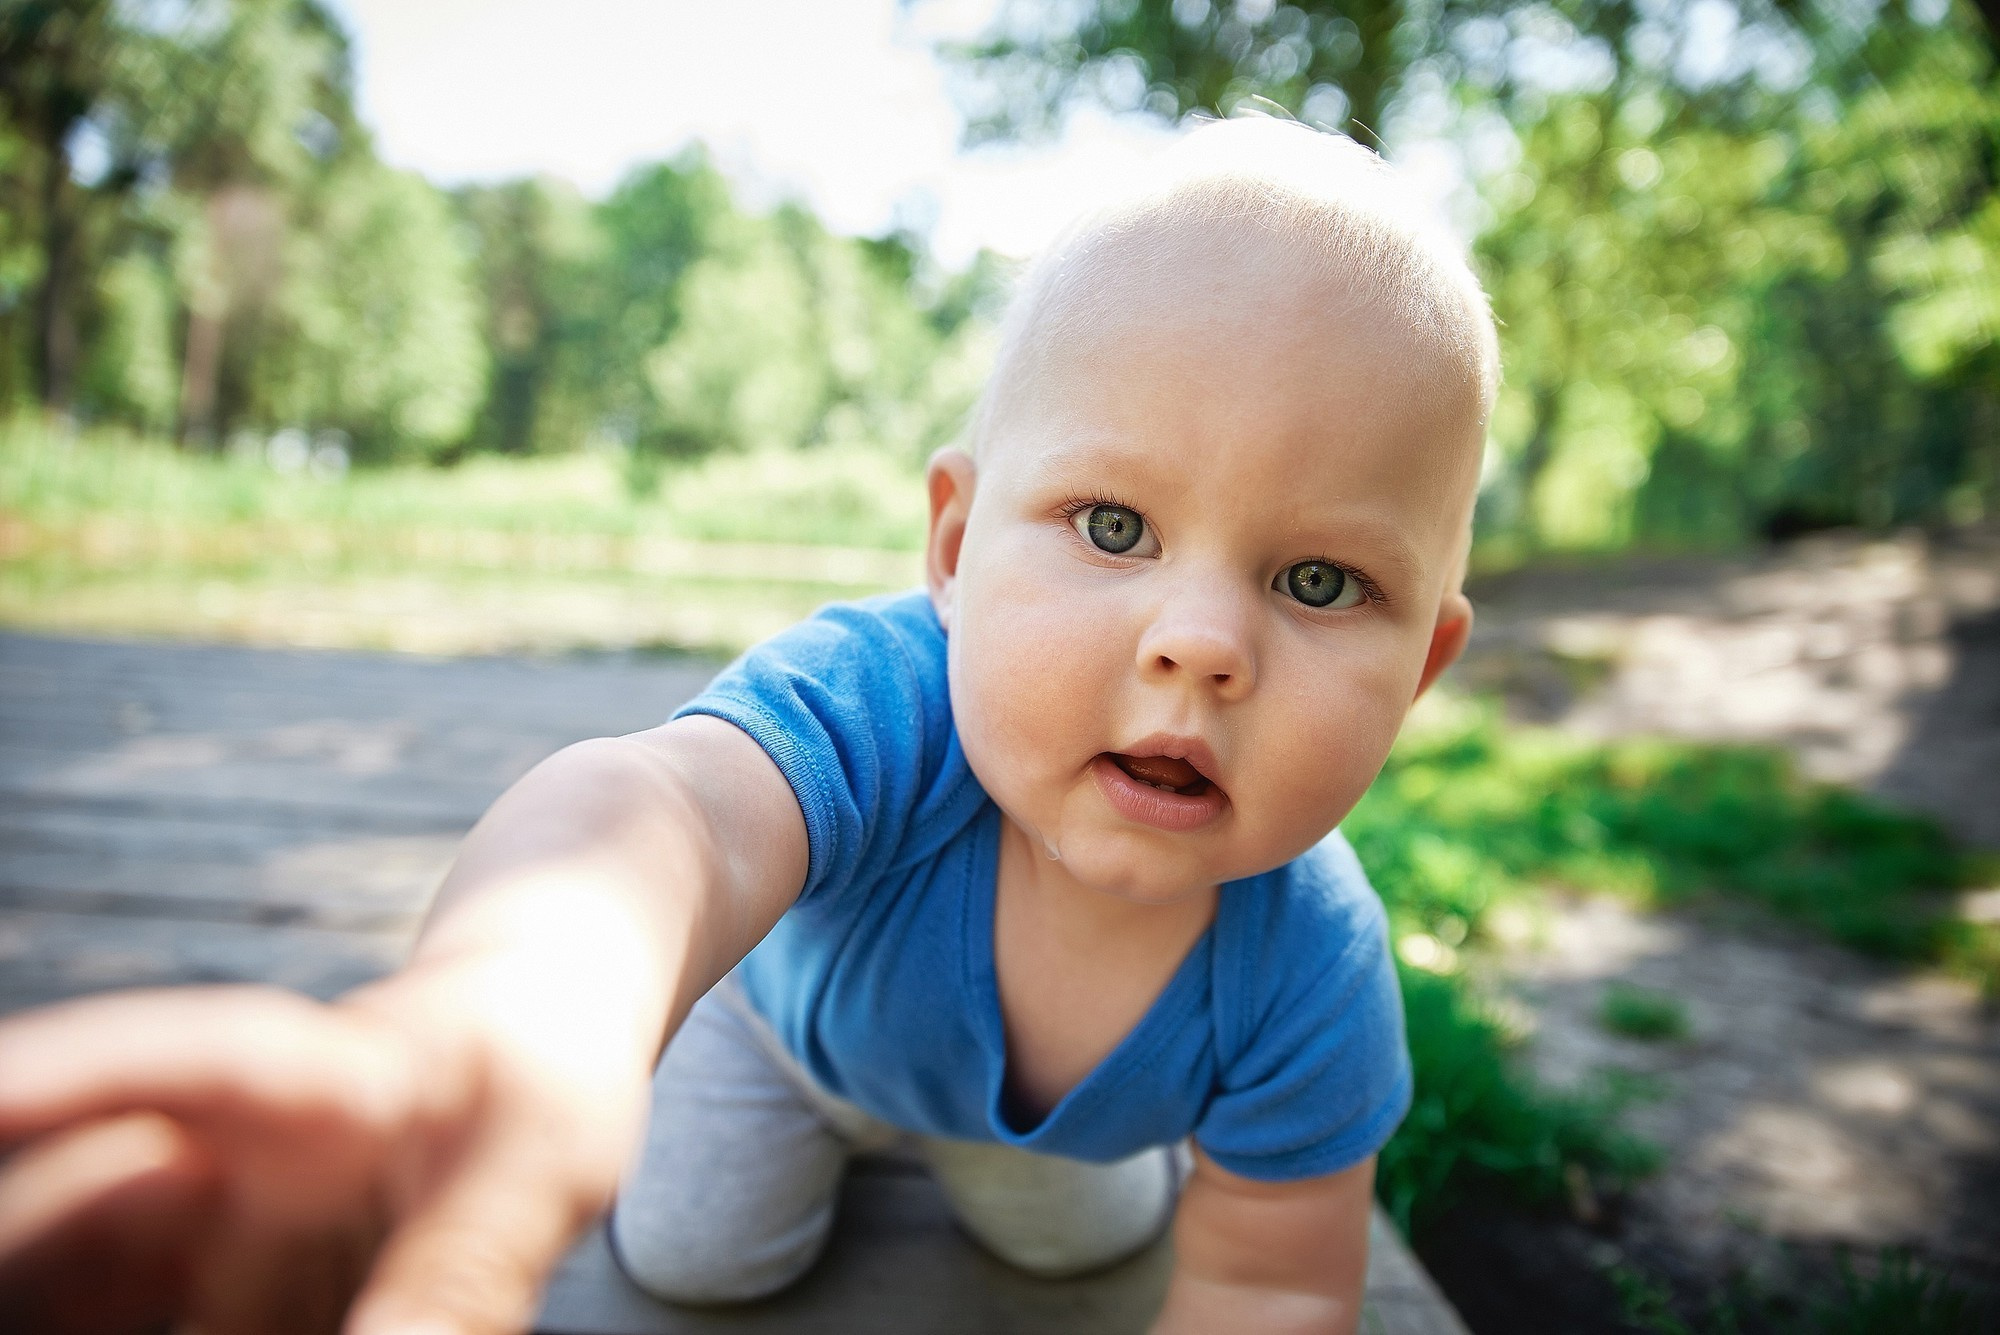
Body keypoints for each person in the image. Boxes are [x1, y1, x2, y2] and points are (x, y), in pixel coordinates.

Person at [0, 115, 1495, 1335]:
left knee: (1078, 1261)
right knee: (698, 1262)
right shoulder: (893, 706)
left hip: (1039, 1129)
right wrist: (515, 1012)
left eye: (1318, 579)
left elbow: (1275, 1279)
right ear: (957, 550)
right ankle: (806, 1119)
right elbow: (671, 815)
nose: (1199, 642)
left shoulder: (1312, 967)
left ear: (1419, 667)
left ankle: (990, 1154)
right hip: (781, 1040)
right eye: (1113, 524)